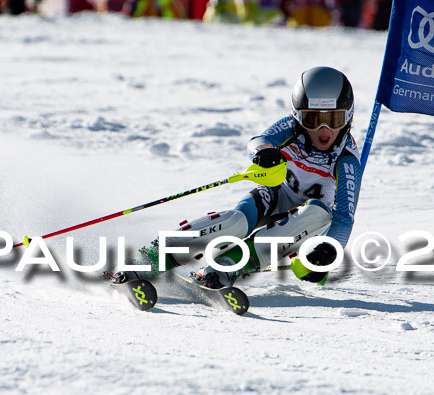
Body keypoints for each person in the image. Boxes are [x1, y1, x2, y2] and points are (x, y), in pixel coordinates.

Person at [109, 66, 362, 289]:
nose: (324, 130)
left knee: (317, 212)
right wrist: (264, 152)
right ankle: (153, 257)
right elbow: (259, 141)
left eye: (334, 119)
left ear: (348, 117)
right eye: (313, 119)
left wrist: (329, 248)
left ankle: (225, 267)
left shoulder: (346, 159)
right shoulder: (290, 128)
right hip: (276, 194)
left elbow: (343, 218)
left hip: (308, 225)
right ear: (298, 116)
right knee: (236, 222)